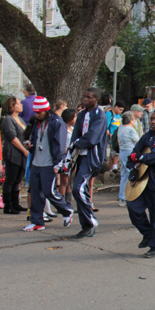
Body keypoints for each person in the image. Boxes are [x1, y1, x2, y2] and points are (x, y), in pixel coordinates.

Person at [125, 110, 155, 258]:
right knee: (133, 208)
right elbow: (132, 155)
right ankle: (148, 235)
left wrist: (140, 157)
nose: (152, 121)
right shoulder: (146, 136)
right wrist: (133, 168)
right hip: (141, 183)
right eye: (151, 119)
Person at [59, 87, 106, 238]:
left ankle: (90, 222)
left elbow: (92, 138)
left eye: (89, 97)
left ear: (96, 100)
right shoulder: (82, 115)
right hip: (80, 157)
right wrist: (73, 150)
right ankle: (86, 225)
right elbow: (75, 137)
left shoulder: (100, 116)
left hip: (92, 158)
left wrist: (78, 142)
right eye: (84, 96)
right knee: (81, 189)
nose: (85, 99)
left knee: (77, 188)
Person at [25, 97, 73, 231]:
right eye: (36, 112)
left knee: (49, 191)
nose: (37, 115)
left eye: (39, 112)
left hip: (48, 163)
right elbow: (35, 138)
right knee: (35, 192)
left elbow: (60, 144)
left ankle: (66, 210)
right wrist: (31, 144)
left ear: (46, 110)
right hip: (36, 161)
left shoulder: (57, 123)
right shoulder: (37, 122)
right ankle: (37, 221)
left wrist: (58, 163)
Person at [1, 97, 29, 215]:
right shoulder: (8, 119)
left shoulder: (21, 120)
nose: (21, 105)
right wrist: (24, 150)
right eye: (18, 104)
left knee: (17, 179)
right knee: (11, 179)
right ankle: (8, 205)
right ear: (12, 106)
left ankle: (15, 202)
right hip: (13, 152)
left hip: (21, 153)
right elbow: (12, 137)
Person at [117, 111, 139, 207]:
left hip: (122, 152)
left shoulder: (120, 129)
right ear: (131, 120)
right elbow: (137, 141)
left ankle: (122, 197)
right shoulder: (130, 130)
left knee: (124, 175)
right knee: (132, 174)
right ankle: (131, 196)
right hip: (130, 152)